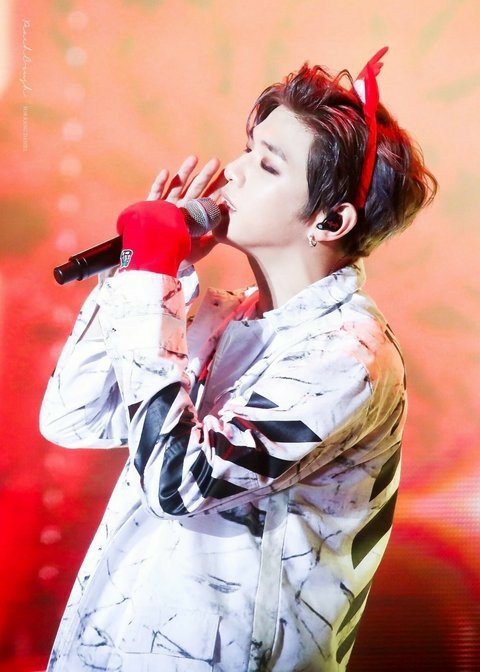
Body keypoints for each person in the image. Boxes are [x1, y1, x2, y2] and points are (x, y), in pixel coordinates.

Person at [40, 48, 437, 671]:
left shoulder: (351, 355)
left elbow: (178, 482)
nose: (234, 171)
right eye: (248, 149)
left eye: (268, 164)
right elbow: (72, 417)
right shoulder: (218, 314)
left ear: (331, 219)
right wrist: (147, 276)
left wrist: (151, 282)